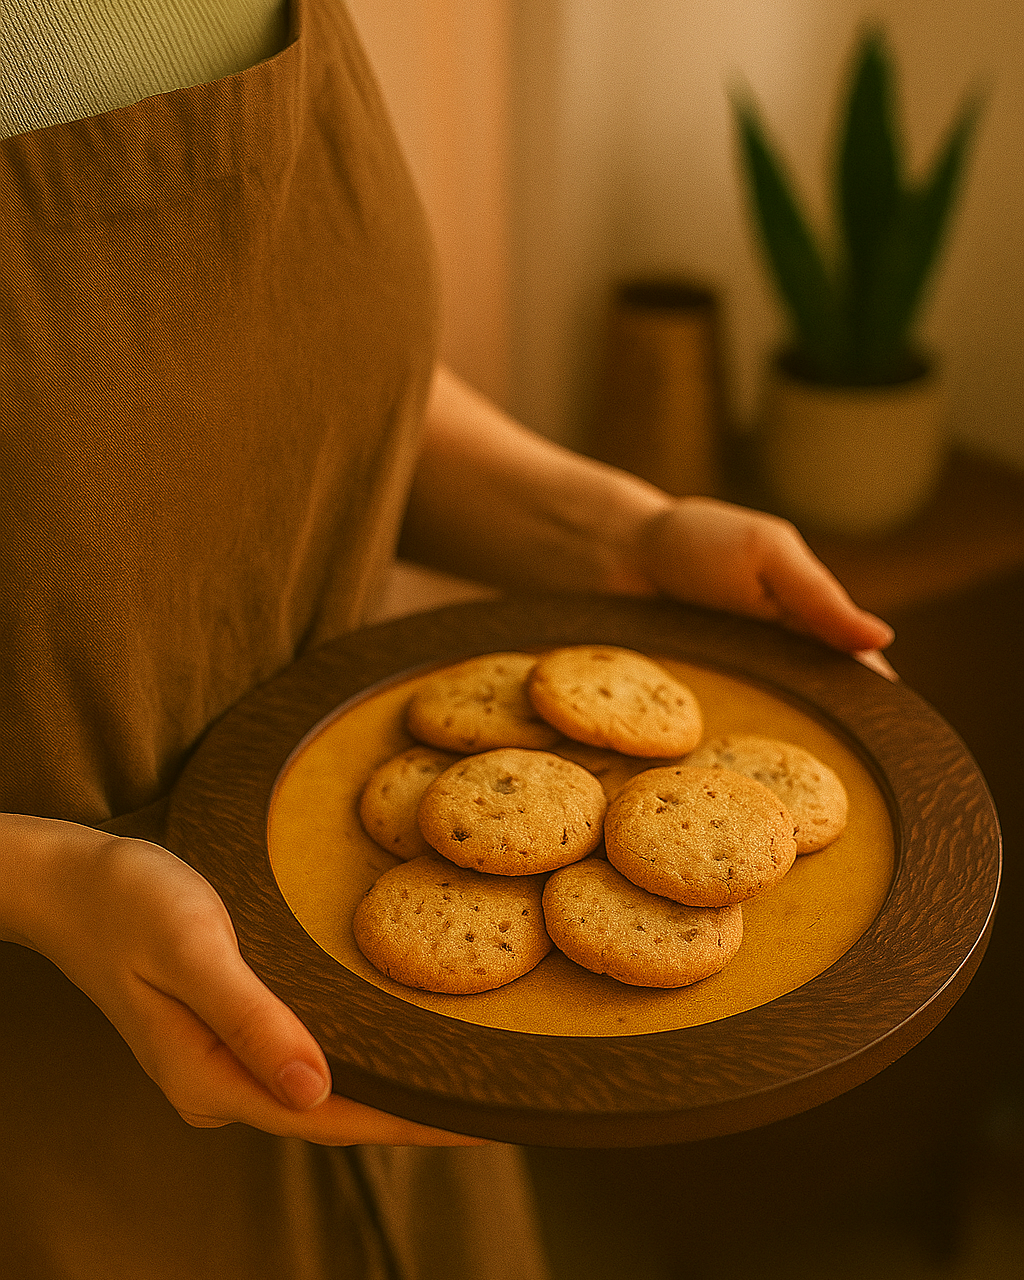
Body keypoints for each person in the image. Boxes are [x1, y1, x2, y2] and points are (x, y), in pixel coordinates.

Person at [0, 2, 895, 1278]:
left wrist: (617, 534)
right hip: (45, 1107)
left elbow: (274, 405)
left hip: (386, 1003)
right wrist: (37, 883)